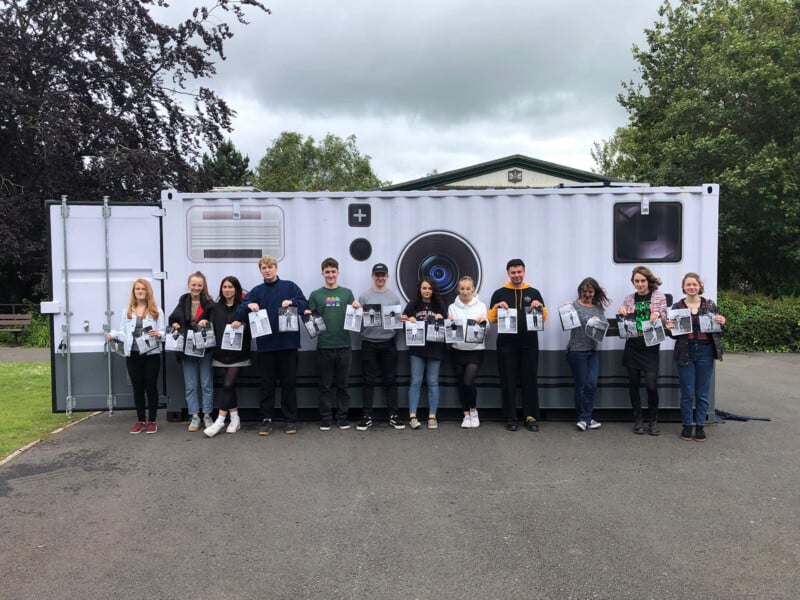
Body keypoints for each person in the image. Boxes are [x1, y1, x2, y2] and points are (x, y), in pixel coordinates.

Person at [238, 256, 308, 436]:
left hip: (288, 345)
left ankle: (290, 420)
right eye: (263, 268)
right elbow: (240, 311)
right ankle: (266, 419)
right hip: (266, 346)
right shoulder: (256, 291)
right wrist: (248, 305)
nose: (267, 270)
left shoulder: (290, 287)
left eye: (270, 267)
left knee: (289, 383)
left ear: (276, 268)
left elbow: (305, 305)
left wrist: (293, 302)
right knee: (266, 385)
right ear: (260, 270)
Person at [488, 259, 547, 432]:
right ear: (508, 273)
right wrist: (497, 307)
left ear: (524, 272)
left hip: (529, 343)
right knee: (508, 379)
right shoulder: (499, 293)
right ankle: (510, 416)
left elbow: (544, 317)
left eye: (519, 272)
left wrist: (540, 307)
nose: (516, 275)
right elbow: (491, 319)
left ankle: (530, 416)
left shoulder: (533, 292)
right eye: (513, 272)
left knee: (530, 378)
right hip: (506, 344)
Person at [666, 272, 725, 442]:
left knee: (702, 393)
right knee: (687, 392)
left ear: (699, 286)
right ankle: (686, 425)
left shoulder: (710, 305)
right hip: (685, 351)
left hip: (705, 351)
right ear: (683, 287)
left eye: (694, 284)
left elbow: (718, 331)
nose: (691, 287)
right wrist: (670, 328)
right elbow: (674, 335)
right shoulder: (677, 307)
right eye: (688, 284)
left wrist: (722, 322)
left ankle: (700, 426)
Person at [306, 257, 360, 431]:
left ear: (338, 273)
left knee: (343, 386)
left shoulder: (347, 293)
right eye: (327, 272)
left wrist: (357, 306)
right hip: (324, 347)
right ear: (322, 274)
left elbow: (355, 313)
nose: (330, 275)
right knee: (325, 386)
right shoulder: (315, 295)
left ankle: (342, 418)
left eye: (333, 271)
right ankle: (326, 418)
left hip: (344, 346)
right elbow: (310, 319)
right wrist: (307, 313)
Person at [107, 279, 165, 434]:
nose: (140, 291)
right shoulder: (127, 310)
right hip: (132, 355)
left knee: (151, 387)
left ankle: (152, 421)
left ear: (148, 291)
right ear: (134, 292)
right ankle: (140, 420)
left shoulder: (156, 310)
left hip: (151, 354)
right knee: (137, 388)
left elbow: (164, 333)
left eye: (143, 289)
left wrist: (158, 334)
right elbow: (123, 332)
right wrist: (112, 335)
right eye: (137, 289)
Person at [618, 265, 668, 435]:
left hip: (651, 344)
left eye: (642, 281)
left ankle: (653, 420)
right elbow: (625, 321)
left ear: (648, 280)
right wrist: (622, 312)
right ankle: (638, 419)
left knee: (651, 385)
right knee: (633, 383)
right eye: (636, 281)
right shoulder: (629, 298)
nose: (639, 284)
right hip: (633, 344)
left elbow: (665, 317)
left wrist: (658, 316)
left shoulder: (659, 296)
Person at [356, 263, 405, 431]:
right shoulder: (364, 297)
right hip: (368, 343)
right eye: (377, 274)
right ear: (372, 276)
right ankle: (366, 416)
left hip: (388, 344)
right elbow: (356, 322)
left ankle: (394, 415)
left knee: (390, 381)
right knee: (368, 381)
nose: (380, 278)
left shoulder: (394, 297)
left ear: (388, 276)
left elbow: (397, 325)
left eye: (383, 275)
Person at [203, 276, 251, 437]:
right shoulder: (214, 307)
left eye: (230, 287)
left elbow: (252, 328)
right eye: (224, 287)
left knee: (228, 385)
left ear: (236, 289)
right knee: (228, 387)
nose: (227, 290)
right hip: (220, 355)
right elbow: (203, 320)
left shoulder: (243, 308)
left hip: (239, 355)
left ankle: (219, 421)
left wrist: (242, 324)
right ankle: (235, 418)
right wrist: (202, 321)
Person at [169, 271, 216, 432]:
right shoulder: (183, 300)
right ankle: (194, 416)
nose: (196, 288)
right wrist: (175, 325)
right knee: (190, 385)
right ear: (189, 285)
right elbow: (173, 318)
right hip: (187, 349)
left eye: (199, 285)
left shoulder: (209, 303)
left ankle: (207, 415)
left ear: (203, 287)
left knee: (206, 384)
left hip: (205, 348)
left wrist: (206, 321)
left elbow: (215, 321)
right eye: (193, 285)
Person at [564, 277, 611, 431]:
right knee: (581, 385)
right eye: (585, 291)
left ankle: (585, 418)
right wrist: (566, 310)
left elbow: (604, 328)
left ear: (595, 291)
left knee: (591, 384)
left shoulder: (598, 308)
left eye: (591, 291)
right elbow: (567, 322)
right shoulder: (574, 306)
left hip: (592, 351)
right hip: (577, 350)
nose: (588, 294)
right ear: (580, 291)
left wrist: (599, 321)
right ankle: (584, 418)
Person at [402, 277, 446, 429]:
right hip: (417, 349)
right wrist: (409, 321)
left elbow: (450, 328)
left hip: (436, 349)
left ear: (433, 290)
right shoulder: (412, 305)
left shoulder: (440, 305)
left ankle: (432, 416)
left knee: (433, 382)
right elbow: (403, 326)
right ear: (419, 289)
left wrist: (443, 319)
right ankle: (412, 416)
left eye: (429, 288)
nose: (427, 291)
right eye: (424, 288)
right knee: (415, 381)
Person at [447, 276, 488, 429]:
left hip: (475, 350)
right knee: (461, 384)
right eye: (462, 289)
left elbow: (487, 328)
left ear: (473, 289)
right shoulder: (452, 307)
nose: (465, 292)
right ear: (458, 290)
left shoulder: (481, 306)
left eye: (468, 289)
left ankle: (474, 411)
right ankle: (465, 415)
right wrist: (449, 322)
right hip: (457, 350)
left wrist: (483, 323)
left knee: (468, 382)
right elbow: (449, 330)